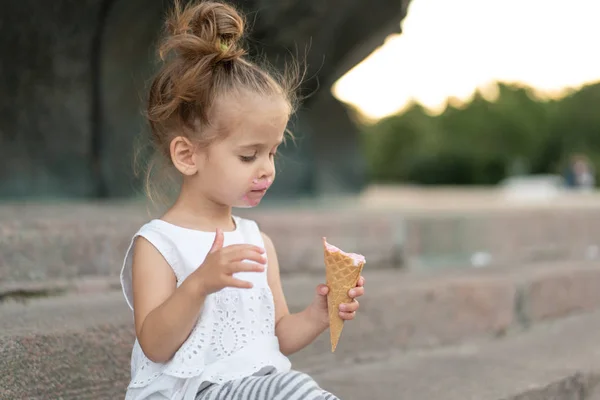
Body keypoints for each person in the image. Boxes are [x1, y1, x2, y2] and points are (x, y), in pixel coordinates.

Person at [119, 1, 366, 399]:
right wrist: (198, 284)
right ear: (188, 155)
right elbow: (155, 344)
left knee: (295, 386)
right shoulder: (159, 244)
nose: (267, 169)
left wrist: (319, 315)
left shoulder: (257, 241)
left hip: (254, 387)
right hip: (189, 392)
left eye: (273, 152)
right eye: (249, 155)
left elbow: (277, 335)